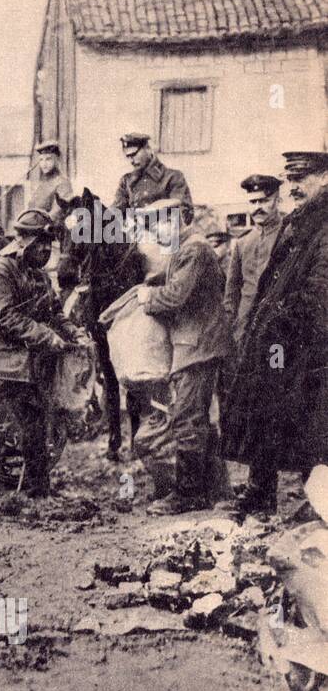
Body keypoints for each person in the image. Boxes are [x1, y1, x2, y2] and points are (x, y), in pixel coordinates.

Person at [223, 151, 328, 518]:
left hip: (311, 348)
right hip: (279, 341)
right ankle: (259, 494)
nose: (295, 187)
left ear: (325, 178)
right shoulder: (301, 222)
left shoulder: (323, 225)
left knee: (312, 424)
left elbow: (320, 290)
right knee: (268, 411)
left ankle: (317, 504)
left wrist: (280, 322)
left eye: (303, 179)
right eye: (292, 180)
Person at [0, 209, 81, 498]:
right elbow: (6, 317)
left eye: (50, 244)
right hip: (5, 362)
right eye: (41, 243)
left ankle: (39, 491)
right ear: (22, 241)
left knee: (35, 430)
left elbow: (55, 312)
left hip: (31, 365)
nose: (47, 250)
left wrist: (73, 332)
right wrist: (47, 336)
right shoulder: (1, 269)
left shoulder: (39, 276)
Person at [136, 200, 231, 514]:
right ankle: (218, 491)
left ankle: (188, 495)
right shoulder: (187, 249)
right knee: (199, 419)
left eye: (163, 223)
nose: (158, 231)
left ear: (182, 219)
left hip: (197, 346)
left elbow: (175, 296)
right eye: (153, 225)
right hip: (196, 343)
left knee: (187, 419)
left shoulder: (193, 249)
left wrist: (148, 298)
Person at [224, 174, 284, 347]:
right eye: (253, 202)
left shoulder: (289, 234)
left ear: (277, 200)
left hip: (276, 328)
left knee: (275, 368)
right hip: (244, 329)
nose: (258, 208)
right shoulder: (243, 242)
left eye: (264, 201)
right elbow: (232, 292)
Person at [112, 132, 193, 227]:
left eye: (134, 154)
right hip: (134, 236)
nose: (131, 161)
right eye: (128, 157)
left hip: (165, 236)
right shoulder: (126, 181)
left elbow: (185, 213)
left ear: (148, 149)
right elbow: (117, 210)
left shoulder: (173, 177)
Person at [26, 139, 73, 216]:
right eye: (41, 160)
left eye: (48, 159)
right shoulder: (42, 184)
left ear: (57, 160)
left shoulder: (63, 183)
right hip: (34, 225)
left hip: (49, 227)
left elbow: (56, 213)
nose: (44, 164)